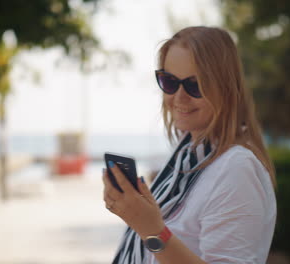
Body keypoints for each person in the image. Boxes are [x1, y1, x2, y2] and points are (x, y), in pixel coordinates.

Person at [102, 26, 277, 264]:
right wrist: (135, 213)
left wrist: (150, 229)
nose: (179, 97)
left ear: (225, 88)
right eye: (169, 81)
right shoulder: (188, 156)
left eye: (195, 85)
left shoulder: (236, 168)